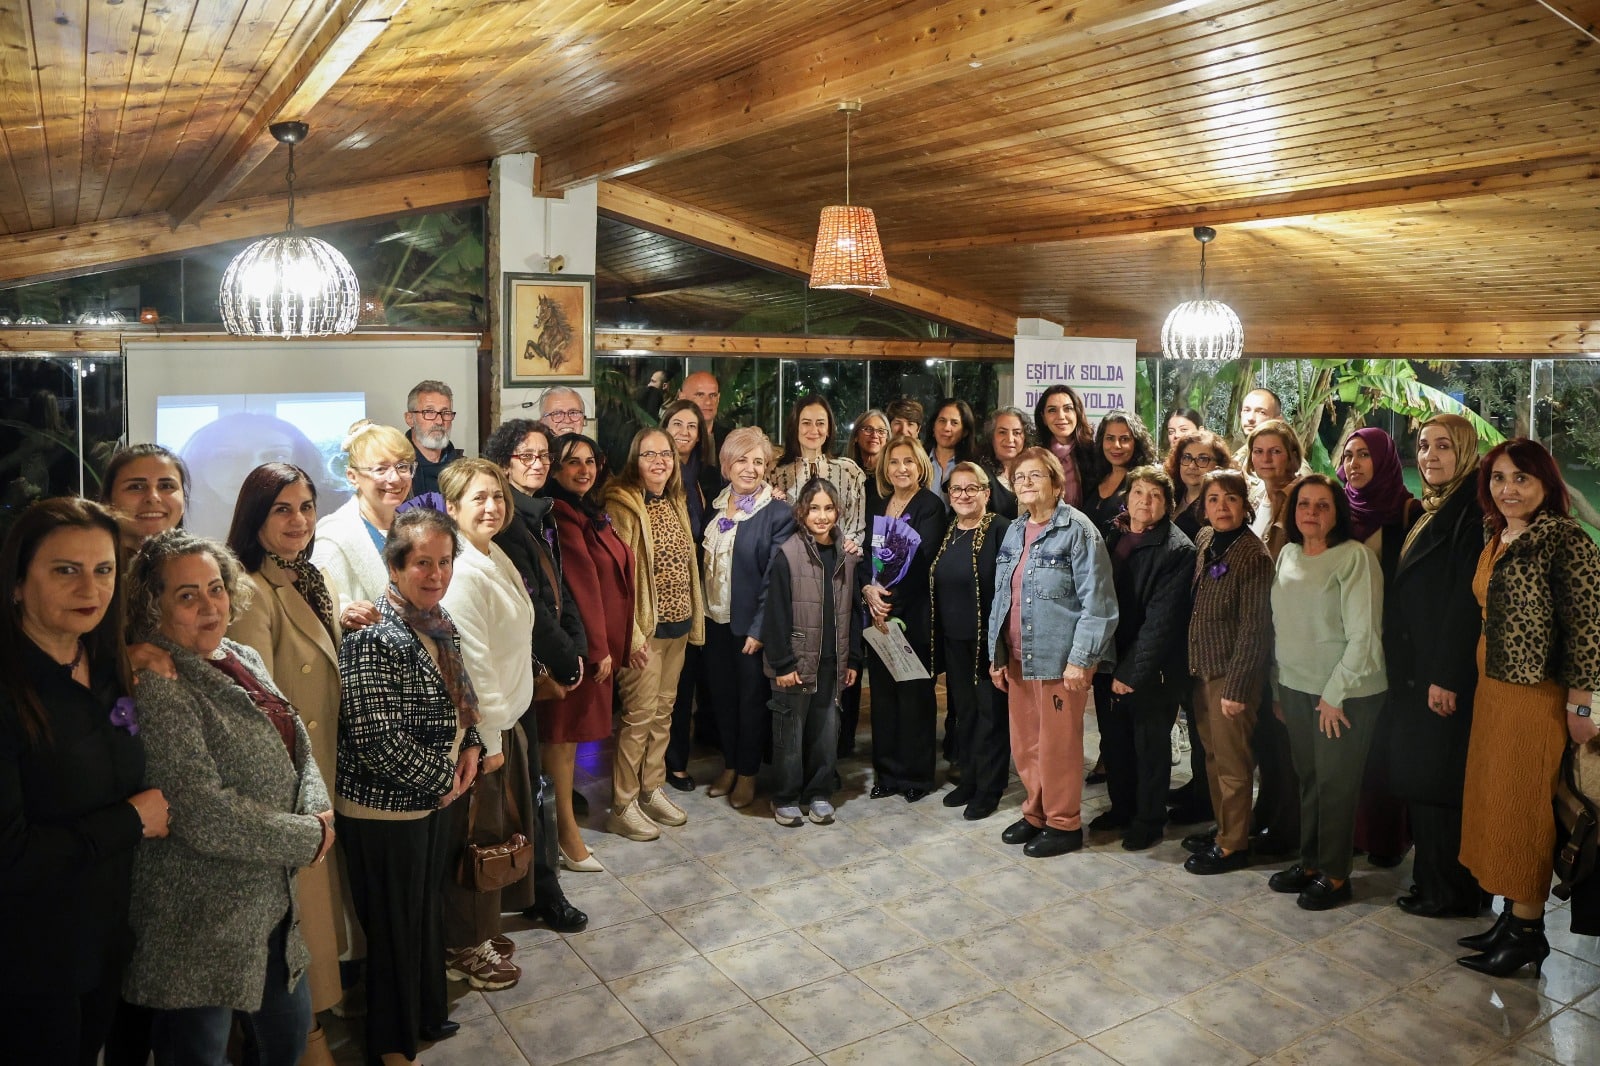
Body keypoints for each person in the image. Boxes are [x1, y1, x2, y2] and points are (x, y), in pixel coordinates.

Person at [123, 530, 333, 1066]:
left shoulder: (239, 654)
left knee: (284, 1045)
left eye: (215, 589)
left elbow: (297, 746)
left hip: (271, 905)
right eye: (186, 596)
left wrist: (317, 806)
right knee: (200, 1055)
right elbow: (200, 812)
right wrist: (310, 835)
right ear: (153, 604)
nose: (209, 606)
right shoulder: (161, 682)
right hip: (201, 919)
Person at [0, 498, 166, 1066]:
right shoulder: (11, 690)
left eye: (103, 570)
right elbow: (10, 854)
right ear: (18, 582)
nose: (89, 588)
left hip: (106, 942)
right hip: (29, 962)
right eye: (65, 570)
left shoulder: (108, 664)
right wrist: (130, 821)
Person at [336, 508, 482, 1065]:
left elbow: (460, 699)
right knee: (395, 930)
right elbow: (377, 740)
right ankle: (390, 1045)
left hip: (430, 798)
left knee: (423, 917)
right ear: (394, 565)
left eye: (444, 562)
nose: (436, 574)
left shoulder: (437, 620)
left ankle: (424, 1014)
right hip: (384, 808)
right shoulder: (374, 633)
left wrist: (473, 749)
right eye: (422, 563)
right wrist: (445, 779)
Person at [1457, 439, 1600, 977]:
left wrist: (1581, 706)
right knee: (1497, 800)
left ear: (1546, 484)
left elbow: (1588, 628)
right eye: (1498, 478)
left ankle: (1527, 932)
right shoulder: (1499, 534)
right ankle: (1510, 918)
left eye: (1521, 478)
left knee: (1524, 809)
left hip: (1536, 696)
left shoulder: (1564, 539)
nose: (1508, 489)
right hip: (1494, 690)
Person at [225, 463, 350, 1053]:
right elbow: (258, 711)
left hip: (322, 769)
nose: (298, 520)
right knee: (300, 918)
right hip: (290, 786)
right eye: (282, 509)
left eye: (305, 506)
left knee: (317, 913)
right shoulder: (251, 590)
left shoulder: (306, 574)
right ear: (256, 518)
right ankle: (308, 1035)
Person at [434, 457, 540, 992]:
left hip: (507, 721)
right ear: (451, 508)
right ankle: (463, 947)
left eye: (497, 496)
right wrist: (492, 739)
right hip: (481, 734)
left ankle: (480, 930)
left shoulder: (491, 553)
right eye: (478, 498)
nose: (492, 506)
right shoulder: (458, 573)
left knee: (495, 835)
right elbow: (471, 666)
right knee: (475, 842)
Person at [482, 419, 587, 932]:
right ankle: (538, 889)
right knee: (523, 789)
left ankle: (535, 885)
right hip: (509, 678)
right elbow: (535, 610)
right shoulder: (507, 525)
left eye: (545, 455)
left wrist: (578, 647)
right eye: (527, 455)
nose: (539, 463)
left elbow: (558, 591)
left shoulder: (541, 514)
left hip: (532, 673)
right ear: (504, 464)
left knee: (532, 785)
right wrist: (568, 658)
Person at [987, 446, 1116, 857]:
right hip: (1019, 656)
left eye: (1035, 476)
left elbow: (1099, 604)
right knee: (1026, 743)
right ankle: (1035, 813)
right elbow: (1002, 596)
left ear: (1056, 482)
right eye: (1019, 477)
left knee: (1058, 746)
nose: (1025, 484)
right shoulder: (1014, 529)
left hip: (1061, 662)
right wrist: (997, 655)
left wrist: (1082, 660)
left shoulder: (1079, 530)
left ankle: (1064, 823)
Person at [1267, 475, 1387, 910]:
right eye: (1304, 505)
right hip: (1295, 688)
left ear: (1338, 512)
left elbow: (1365, 636)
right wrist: (1279, 689)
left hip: (1345, 692)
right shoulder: (1288, 554)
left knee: (1336, 784)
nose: (1311, 513)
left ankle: (1336, 875)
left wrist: (1334, 694)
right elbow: (1281, 627)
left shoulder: (1354, 559)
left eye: (1322, 505)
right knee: (1310, 780)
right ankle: (1311, 862)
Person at [1387, 415, 1486, 919]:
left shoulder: (1470, 513)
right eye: (1423, 446)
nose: (1429, 456)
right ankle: (1433, 881)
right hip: (1420, 672)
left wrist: (1446, 676)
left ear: (1465, 452)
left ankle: (1450, 891)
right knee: (1427, 780)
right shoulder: (1433, 508)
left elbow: (1465, 606)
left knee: (1441, 784)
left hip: (1441, 677)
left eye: (1443, 446)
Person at [604, 428, 705, 840]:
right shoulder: (622, 505)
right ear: (635, 459)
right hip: (643, 632)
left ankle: (652, 789)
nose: (660, 461)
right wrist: (630, 636)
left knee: (664, 713)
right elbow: (616, 579)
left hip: (678, 627)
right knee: (639, 717)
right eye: (650, 454)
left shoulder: (675, 500)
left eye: (666, 454)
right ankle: (623, 802)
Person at [542, 432, 635, 869]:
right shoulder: (561, 511)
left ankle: (561, 827)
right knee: (560, 740)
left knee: (571, 742)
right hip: (579, 652)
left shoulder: (590, 510)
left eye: (590, 461)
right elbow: (582, 584)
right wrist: (598, 649)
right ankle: (564, 833)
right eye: (572, 462)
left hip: (599, 648)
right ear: (555, 469)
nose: (583, 470)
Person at [1093, 466, 1196, 851]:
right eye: (1138, 492)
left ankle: (1149, 819)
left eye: (1155, 496)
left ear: (1168, 504)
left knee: (1149, 746)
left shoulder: (1178, 549)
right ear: (1127, 497)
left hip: (1150, 668)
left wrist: (1131, 671)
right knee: (1114, 740)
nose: (1145, 502)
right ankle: (1122, 809)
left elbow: (1162, 621)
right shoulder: (1113, 532)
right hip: (1107, 656)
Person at [1183, 470, 1273, 876]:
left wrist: (1236, 690)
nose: (1222, 507)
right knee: (1212, 757)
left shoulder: (1253, 555)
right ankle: (1225, 830)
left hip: (1230, 678)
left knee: (1234, 765)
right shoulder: (1205, 540)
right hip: (1201, 671)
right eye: (1214, 499)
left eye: (1231, 498)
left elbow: (1255, 630)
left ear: (1245, 504)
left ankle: (1235, 845)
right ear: (1203, 506)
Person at [1337, 428, 1419, 869]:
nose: (1354, 463)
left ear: (1385, 459)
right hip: (1342, 646)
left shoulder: (1408, 512)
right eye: (1349, 455)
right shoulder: (1339, 511)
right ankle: (1349, 832)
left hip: (1390, 646)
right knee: (1347, 744)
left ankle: (1386, 837)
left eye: (1365, 455)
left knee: (1384, 746)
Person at [701, 427, 794, 809]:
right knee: (721, 699)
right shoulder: (715, 504)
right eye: (742, 459)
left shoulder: (777, 511)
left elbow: (774, 579)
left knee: (751, 702)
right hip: (712, 621)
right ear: (727, 464)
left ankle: (749, 773)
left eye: (759, 461)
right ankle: (729, 764)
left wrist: (758, 630)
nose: (750, 468)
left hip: (749, 629)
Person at [762, 478, 863, 827]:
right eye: (814, 508)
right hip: (795, 663)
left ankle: (819, 793)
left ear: (838, 512)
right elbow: (774, 613)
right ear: (802, 512)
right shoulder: (787, 554)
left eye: (828, 508)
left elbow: (854, 611)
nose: (822, 516)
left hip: (832, 663)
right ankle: (786, 797)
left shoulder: (847, 558)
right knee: (790, 735)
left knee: (825, 733)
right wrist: (782, 662)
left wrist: (853, 660)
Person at [863, 435, 947, 802]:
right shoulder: (879, 504)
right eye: (894, 462)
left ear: (920, 467)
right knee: (883, 697)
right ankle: (887, 774)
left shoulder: (930, 506)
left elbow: (920, 560)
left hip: (913, 613)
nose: (901, 468)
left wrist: (887, 601)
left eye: (908, 462)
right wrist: (869, 591)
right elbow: (868, 556)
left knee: (914, 697)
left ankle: (916, 776)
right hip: (877, 614)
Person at [931, 463, 1011, 820]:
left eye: (971, 488)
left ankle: (989, 788)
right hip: (953, 640)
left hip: (987, 641)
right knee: (964, 713)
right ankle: (969, 778)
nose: (963, 495)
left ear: (986, 493)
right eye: (956, 490)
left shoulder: (999, 529)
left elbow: (1008, 590)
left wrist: (1001, 647)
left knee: (990, 714)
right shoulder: (950, 530)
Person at [1242, 418, 1304, 856]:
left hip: (1291, 628)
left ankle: (1288, 831)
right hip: (1260, 626)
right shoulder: (1258, 497)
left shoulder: (1302, 497)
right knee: (1264, 732)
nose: (1267, 459)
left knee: (1286, 740)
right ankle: (1266, 814)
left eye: (1275, 451)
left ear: (1292, 455)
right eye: (1259, 452)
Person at [659, 399, 716, 792]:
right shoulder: (653, 473)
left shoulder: (707, 478)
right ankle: (661, 764)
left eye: (691, 426)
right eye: (676, 423)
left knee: (689, 682)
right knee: (663, 688)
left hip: (703, 590)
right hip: (664, 591)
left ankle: (679, 756)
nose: (684, 432)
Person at [312, 422, 416, 629]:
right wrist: (345, 612)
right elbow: (318, 603)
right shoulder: (334, 534)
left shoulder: (412, 529)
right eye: (381, 469)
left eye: (402, 467)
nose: (395, 478)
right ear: (352, 477)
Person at [841, 408, 891, 756]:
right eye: (867, 429)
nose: (874, 436)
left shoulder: (891, 483)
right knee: (849, 662)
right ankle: (842, 744)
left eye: (881, 431)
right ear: (857, 435)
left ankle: (884, 747)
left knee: (886, 670)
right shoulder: (847, 475)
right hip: (849, 575)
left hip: (885, 582)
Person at [769, 393, 868, 547]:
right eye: (806, 423)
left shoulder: (850, 472)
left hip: (839, 561)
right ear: (796, 427)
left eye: (820, 423)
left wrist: (849, 546)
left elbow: (856, 527)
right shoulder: (774, 472)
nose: (814, 430)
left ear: (829, 429)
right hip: (789, 561)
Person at [100, 443, 189, 557]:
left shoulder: (206, 566)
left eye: (166, 486)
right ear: (108, 500)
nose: (153, 497)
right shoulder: (82, 565)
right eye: (136, 487)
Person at [1083, 410, 1156, 536]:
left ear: (1136, 443)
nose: (1116, 445)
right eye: (1110, 438)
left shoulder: (1144, 484)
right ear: (1102, 441)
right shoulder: (1095, 477)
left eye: (1124, 439)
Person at [1032, 385, 1093, 509]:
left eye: (1068, 408)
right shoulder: (1034, 456)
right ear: (1043, 418)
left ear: (1077, 413)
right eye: (1052, 410)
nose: (1061, 416)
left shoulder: (1093, 452)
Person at [1165, 429, 1232, 541]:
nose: (1192, 466)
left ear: (1218, 466)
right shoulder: (1170, 493)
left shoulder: (1218, 506)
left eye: (1202, 459)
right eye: (1186, 457)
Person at [402, 380, 463, 500]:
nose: (439, 421)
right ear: (410, 419)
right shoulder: (396, 470)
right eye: (429, 412)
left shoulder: (463, 468)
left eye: (445, 412)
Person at [979, 405, 1031, 519]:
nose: (1010, 439)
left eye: (1017, 433)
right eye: (1002, 432)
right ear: (991, 437)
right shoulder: (980, 476)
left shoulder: (1036, 473)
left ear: (1025, 438)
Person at [927, 398, 978, 501]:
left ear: (965, 432)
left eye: (954, 423)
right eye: (942, 421)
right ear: (933, 426)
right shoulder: (918, 460)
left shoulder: (973, 467)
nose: (946, 428)